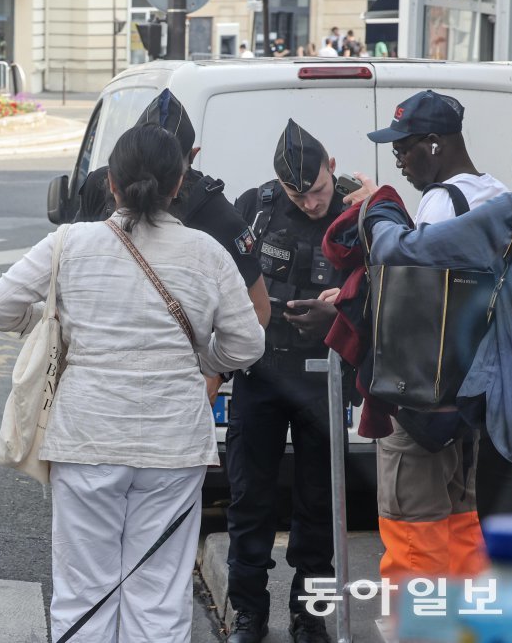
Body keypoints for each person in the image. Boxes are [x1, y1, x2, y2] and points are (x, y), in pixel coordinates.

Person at [0, 125, 265, 641]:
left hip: (87, 435)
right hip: (174, 443)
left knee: (83, 588)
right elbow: (247, 346)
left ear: (111, 182)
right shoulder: (207, 252)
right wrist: (202, 358)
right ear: (179, 183)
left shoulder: (71, 242)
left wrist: (51, 320)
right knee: (158, 591)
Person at [361, 91, 508, 575]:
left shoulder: (441, 204)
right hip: (474, 403)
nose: (398, 160)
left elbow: (410, 304)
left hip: (425, 403)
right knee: (465, 531)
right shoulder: (500, 195)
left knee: (413, 541)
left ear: (435, 143)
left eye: (404, 148)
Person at [226, 120, 348, 643]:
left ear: (333, 169)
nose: (312, 202)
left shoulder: (358, 211)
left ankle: (310, 613)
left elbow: (387, 284)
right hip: (262, 372)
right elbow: (222, 275)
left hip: (325, 378)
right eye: (300, 193)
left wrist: (339, 309)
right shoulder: (257, 205)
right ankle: (248, 612)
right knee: (250, 499)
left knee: (320, 502)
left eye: (319, 189)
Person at [73, 90, 271, 360]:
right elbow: (67, 276)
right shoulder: (100, 186)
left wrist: (212, 370)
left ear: (191, 159)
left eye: (165, 167)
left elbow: (258, 309)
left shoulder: (217, 215)